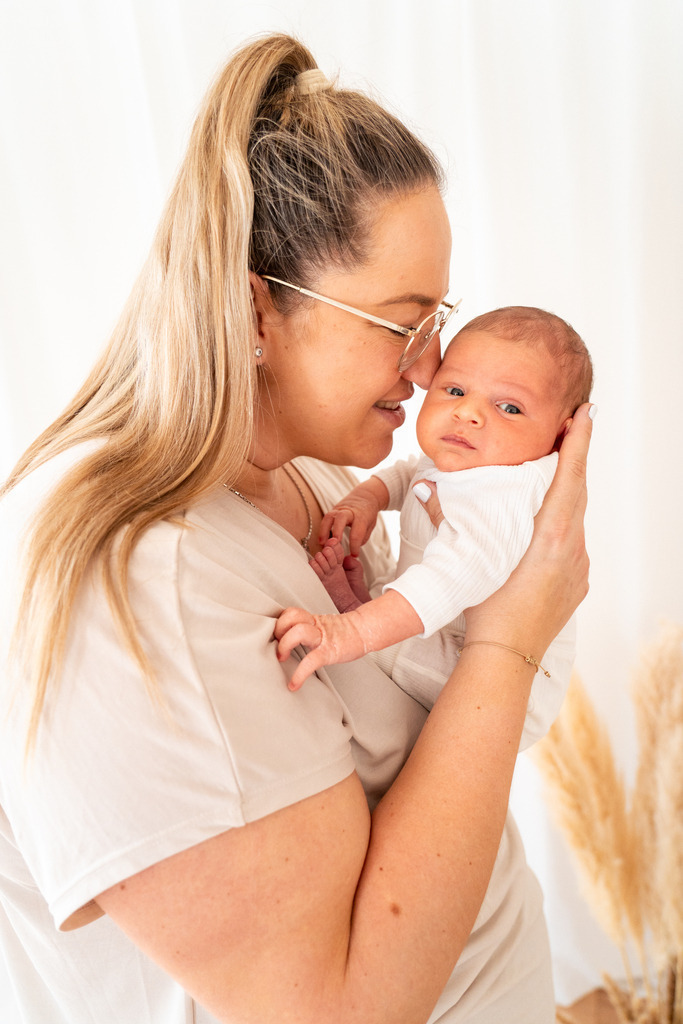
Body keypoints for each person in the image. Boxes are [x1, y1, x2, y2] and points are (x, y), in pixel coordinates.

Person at [0, 32, 592, 1024]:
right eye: (400, 321)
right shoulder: (137, 577)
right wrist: (509, 641)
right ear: (254, 314)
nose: (429, 367)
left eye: (436, 318)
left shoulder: (313, 470)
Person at [277, 307, 593, 753]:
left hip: (508, 684)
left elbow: (452, 577)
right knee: (407, 602)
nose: (468, 413)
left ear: (561, 439)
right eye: (456, 389)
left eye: (509, 407)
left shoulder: (509, 491)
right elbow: (414, 471)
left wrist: (353, 631)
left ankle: (355, 612)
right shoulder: (476, 458)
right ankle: (369, 607)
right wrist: (368, 497)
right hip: (444, 627)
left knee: (405, 639)